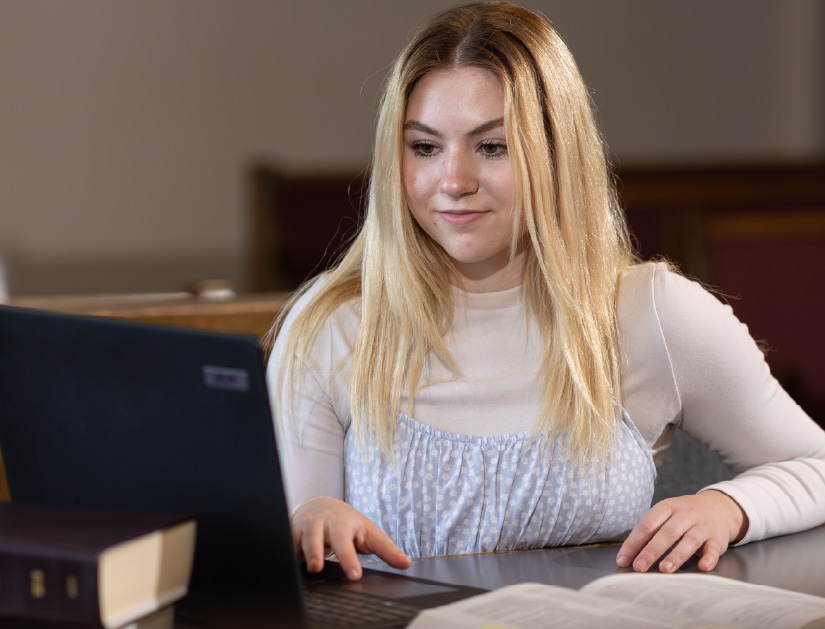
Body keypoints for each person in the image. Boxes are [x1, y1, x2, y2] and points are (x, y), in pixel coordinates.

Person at [266, 1, 825, 582]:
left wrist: (729, 508)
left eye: (493, 147)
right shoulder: (331, 324)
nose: (453, 181)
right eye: (425, 147)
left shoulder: (650, 313)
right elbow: (287, 546)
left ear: (559, 155)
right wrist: (309, 516)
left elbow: (815, 465)